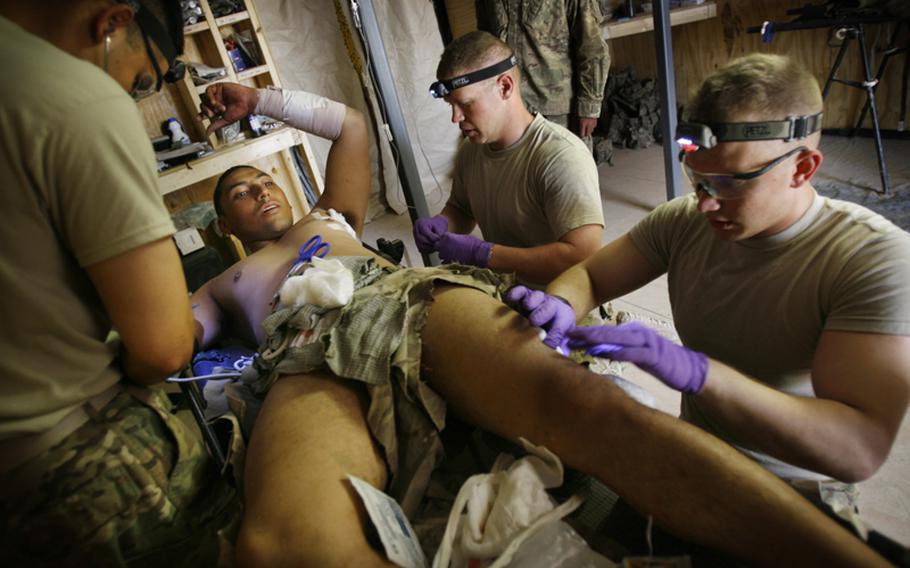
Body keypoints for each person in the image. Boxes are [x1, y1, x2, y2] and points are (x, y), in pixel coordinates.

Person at [193, 81, 889, 567]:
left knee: (590, 404)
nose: (258, 190)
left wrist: (260, 100)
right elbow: (164, 342)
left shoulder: (331, 215)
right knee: (284, 545)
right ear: (224, 226)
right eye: (239, 193)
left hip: (402, 294)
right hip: (305, 344)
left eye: (263, 179)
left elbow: (347, 121)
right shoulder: (226, 284)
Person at [510, 54, 910, 492]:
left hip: (790, 493)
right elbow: (590, 276)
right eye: (698, 180)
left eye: (730, 183)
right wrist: (561, 305)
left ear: (802, 168)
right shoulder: (684, 221)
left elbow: (857, 448)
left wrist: (697, 373)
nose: (705, 203)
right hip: (695, 455)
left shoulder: (872, 259)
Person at [0, 0, 240, 565]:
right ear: (111, 21)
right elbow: (164, 346)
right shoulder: (70, 95)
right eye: (141, 82)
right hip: (71, 460)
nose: (263, 192)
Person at [417, 31, 604, 286]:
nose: (455, 117)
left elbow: (583, 257)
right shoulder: (470, 151)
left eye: (466, 104)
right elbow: (462, 208)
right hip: (500, 290)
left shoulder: (560, 157)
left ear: (505, 87)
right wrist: (443, 224)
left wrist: (485, 255)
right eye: (451, 106)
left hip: (556, 302)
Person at [475, 0, 610, 142]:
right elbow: (486, 43)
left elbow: (592, 48)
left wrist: (590, 106)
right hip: (509, 107)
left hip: (558, 111)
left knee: (567, 162)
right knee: (522, 163)